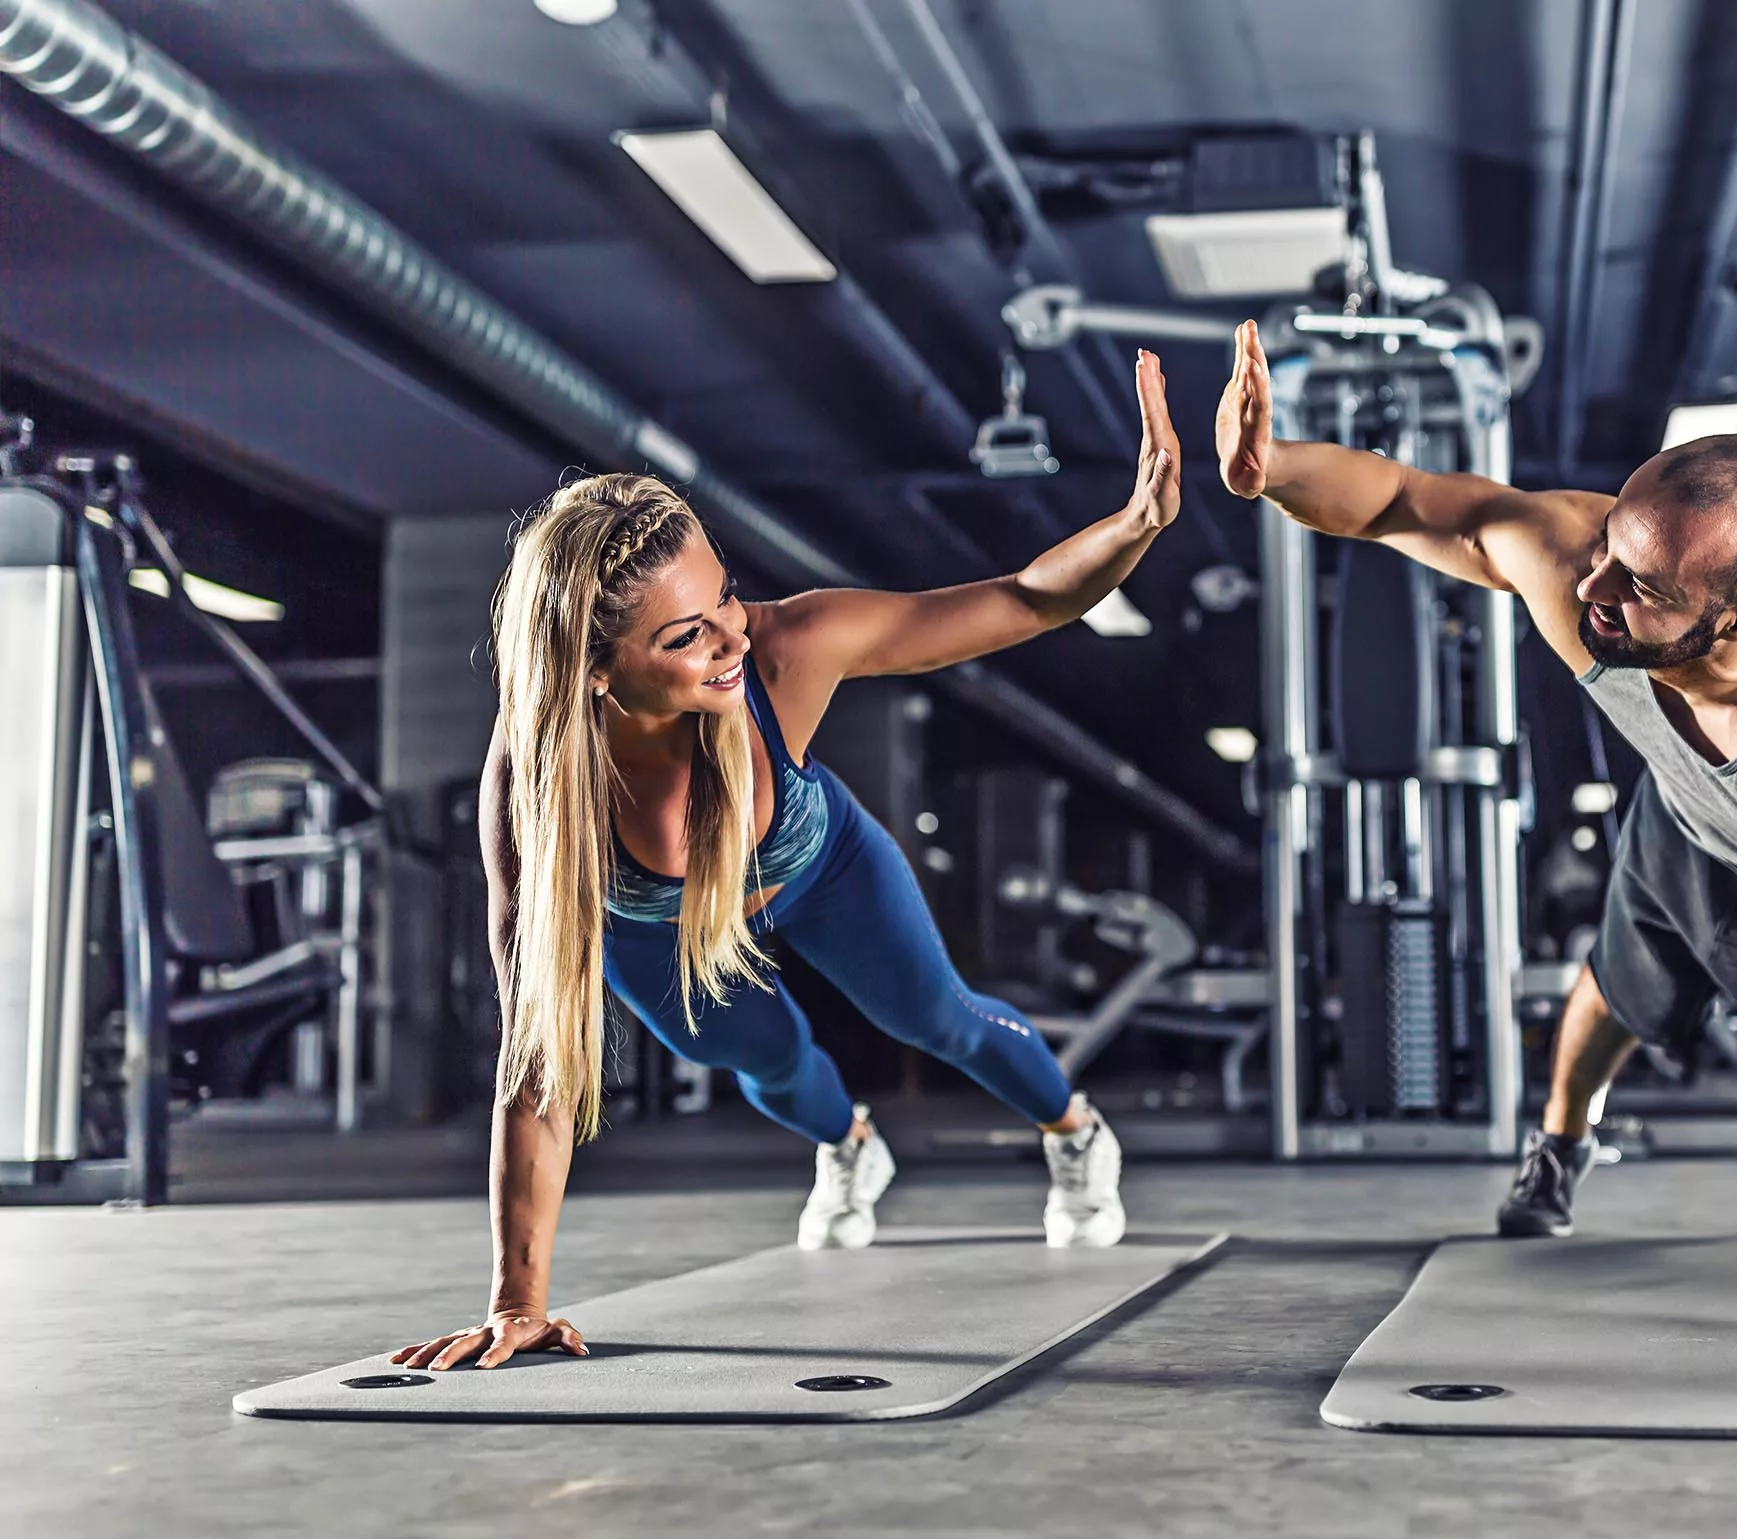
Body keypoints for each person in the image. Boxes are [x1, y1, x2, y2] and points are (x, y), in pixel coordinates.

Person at [1216, 323, 1737, 1368]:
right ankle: (1558, 1147)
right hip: (1688, 811)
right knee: (1611, 984)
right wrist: (1273, 469)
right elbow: (1406, 503)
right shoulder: (1587, 569)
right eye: (1610, 554)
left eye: (1642, 590)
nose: (1593, 594)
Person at [393, 354, 1182, 1374]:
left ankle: (1075, 1131)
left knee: (932, 1014)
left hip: (822, 868)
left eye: (725, 596)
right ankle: (850, 1146)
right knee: (766, 1061)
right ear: (595, 672)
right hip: (659, 925)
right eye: (686, 636)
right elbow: (537, 1056)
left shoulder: (783, 653)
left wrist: (1136, 526)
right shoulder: (539, 789)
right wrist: (516, 1301)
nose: (728, 636)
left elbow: (1025, 598)